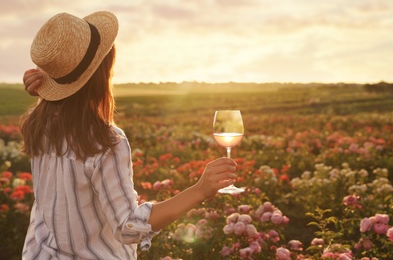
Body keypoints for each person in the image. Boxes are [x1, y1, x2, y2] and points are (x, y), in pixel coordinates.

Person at [20, 11, 238, 259]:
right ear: (104, 72)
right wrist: (200, 190)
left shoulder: (38, 125)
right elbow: (128, 228)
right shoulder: (105, 142)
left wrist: (44, 95)